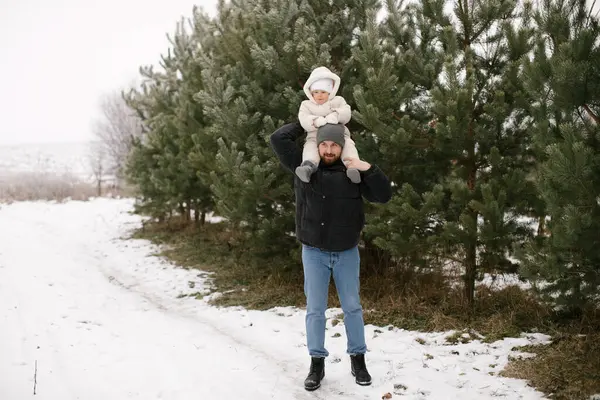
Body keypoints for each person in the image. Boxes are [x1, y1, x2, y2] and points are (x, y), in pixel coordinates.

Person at [270, 121, 393, 391]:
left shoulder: (353, 173)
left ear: (342, 146)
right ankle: (317, 364)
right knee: (315, 310)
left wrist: (368, 169)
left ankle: (358, 360)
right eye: (323, 144)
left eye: (333, 145)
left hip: (346, 251)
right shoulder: (304, 168)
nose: (328, 149)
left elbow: (384, 196)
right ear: (317, 145)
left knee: (352, 307)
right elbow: (278, 139)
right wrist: (308, 120)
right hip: (313, 252)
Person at [296, 66, 362, 184]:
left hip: (339, 134)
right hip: (315, 135)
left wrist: (336, 116)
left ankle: (352, 167)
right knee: (310, 146)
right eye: (316, 92)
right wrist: (315, 121)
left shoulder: (338, 101)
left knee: (348, 145)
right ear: (310, 92)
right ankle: (308, 166)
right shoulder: (306, 105)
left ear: (330, 91)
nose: (319, 95)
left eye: (323, 92)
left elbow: (346, 113)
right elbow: (303, 119)